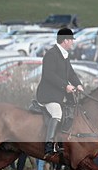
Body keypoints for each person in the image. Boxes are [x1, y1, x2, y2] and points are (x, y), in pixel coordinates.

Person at [36, 28, 84, 157]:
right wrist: (65, 86)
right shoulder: (51, 54)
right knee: (57, 113)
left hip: (59, 95)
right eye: (71, 40)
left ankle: (62, 142)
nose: (72, 43)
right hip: (47, 95)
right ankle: (49, 145)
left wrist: (78, 84)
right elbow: (49, 75)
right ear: (65, 41)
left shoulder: (64, 55)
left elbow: (71, 73)